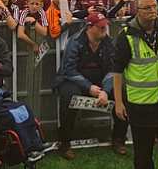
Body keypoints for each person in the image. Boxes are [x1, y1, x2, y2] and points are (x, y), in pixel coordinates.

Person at [113, 0, 158, 169]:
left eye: (154, 6)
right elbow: (117, 71)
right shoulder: (126, 36)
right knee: (143, 155)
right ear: (137, 10)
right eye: (147, 8)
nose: (153, 11)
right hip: (141, 104)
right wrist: (118, 102)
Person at [54, 12, 128, 159]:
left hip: (100, 82)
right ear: (90, 27)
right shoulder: (75, 42)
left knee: (122, 94)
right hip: (74, 80)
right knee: (68, 96)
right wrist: (89, 87)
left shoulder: (108, 42)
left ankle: (119, 139)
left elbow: (113, 69)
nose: (104, 30)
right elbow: (68, 70)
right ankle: (65, 143)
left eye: (105, 26)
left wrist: (105, 91)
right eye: (100, 27)